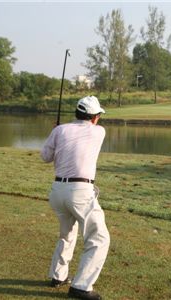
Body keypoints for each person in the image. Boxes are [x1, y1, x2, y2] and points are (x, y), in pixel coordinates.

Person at [41, 95, 109, 300]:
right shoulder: (99, 131)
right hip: (80, 191)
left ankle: (57, 276)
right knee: (99, 238)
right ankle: (81, 286)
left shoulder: (59, 130)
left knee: (67, 234)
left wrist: (56, 132)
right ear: (95, 117)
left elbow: (45, 157)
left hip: (58, 191)